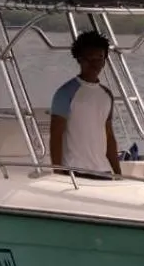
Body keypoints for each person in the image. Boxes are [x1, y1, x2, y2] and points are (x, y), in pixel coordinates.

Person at [49, 30, 122, 179]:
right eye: (89, 58)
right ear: (79, 59)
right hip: (75, 171)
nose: (94, 63)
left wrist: (118, 173)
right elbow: (56, 135)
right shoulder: (65, 93)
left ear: (104, 60)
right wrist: (57, 173)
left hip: (104, 171)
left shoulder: (107, 95)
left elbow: (108, 136)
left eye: (99, 58)